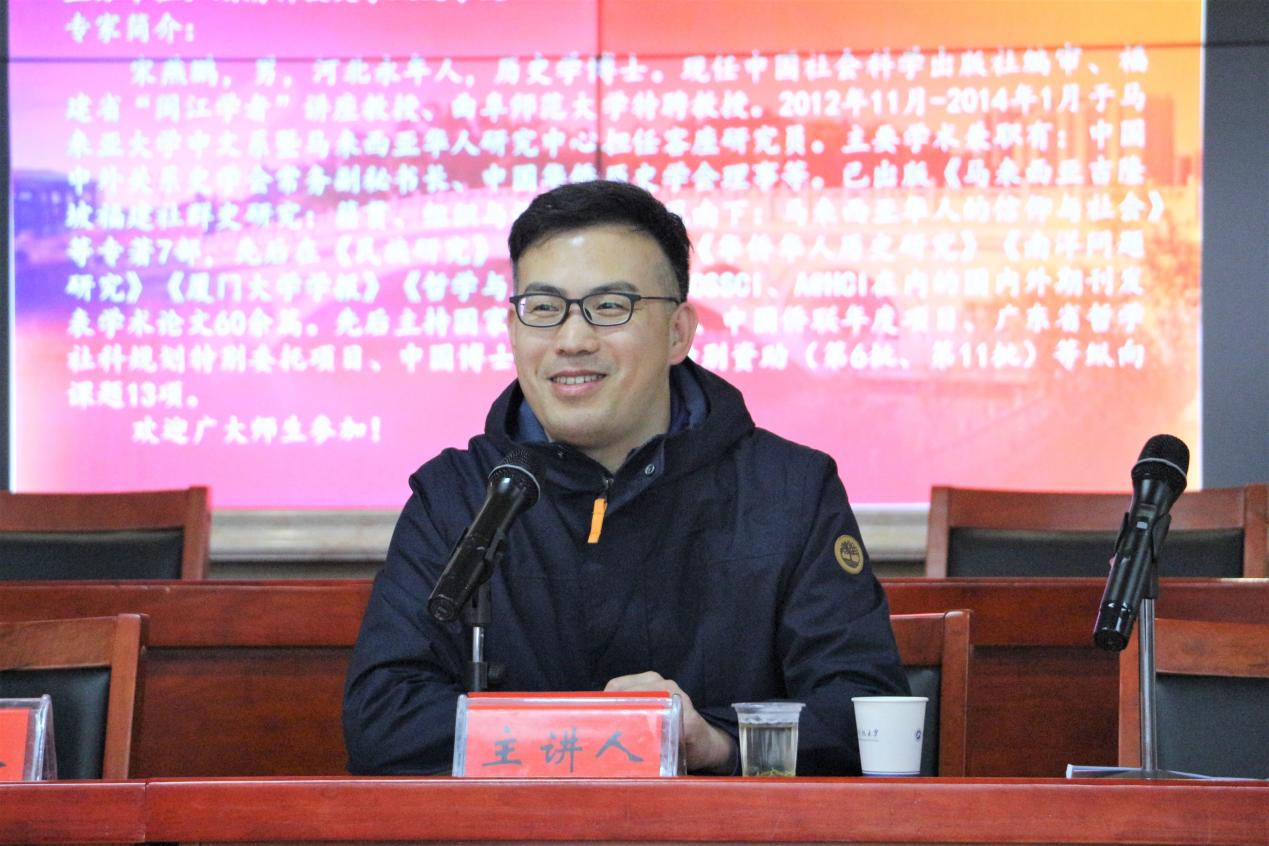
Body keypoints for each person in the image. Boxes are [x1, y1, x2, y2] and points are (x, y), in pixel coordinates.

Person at [343, 180, 909, 776]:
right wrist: (602, 733)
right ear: (512, 329)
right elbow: (382, 720)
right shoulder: (457, 497)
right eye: (544, 309)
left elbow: (863, 713)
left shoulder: (789, 490)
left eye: (610, 307)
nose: (572, 340)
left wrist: (715, 742)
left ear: (678, 332)